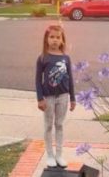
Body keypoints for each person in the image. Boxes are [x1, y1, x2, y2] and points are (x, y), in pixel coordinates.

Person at [35, 24, 76, 168]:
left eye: (57, 37)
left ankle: (59, 154)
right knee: (48, 126)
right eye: (51, 37)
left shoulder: (66, 58)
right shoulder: (43, 58)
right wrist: (40, 98)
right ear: (46, 39)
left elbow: (70, 78)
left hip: (63, 97)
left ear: (62, 40)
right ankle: (50, 155)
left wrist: (72, 98)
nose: (54, 40)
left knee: (59, 125)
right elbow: (38, 80)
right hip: (48, 98)